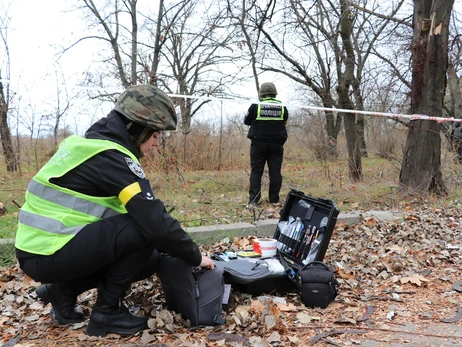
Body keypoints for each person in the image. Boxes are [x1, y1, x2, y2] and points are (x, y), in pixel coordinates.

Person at [15, 85, 215, 337]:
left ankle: (62, 292)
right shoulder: (113, 158)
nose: (156, 143)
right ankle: (106, 313)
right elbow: (154, 222)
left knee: (149, 258)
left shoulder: (87, 146)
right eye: (154, 135)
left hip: (39, 250)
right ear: (137, 128)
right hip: (48, 252)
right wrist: (196, 257)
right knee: (144, 232)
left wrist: (171, 249)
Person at [244, 82, 289, 206]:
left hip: (258, 144)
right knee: (275, 171)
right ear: (274, 93)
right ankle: (274, 200)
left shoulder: (256, 106)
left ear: (261, 93)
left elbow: (246, 121)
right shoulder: (282, 106)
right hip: (277, 144)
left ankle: (253, 200)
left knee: (256, 171)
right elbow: (285, 120)